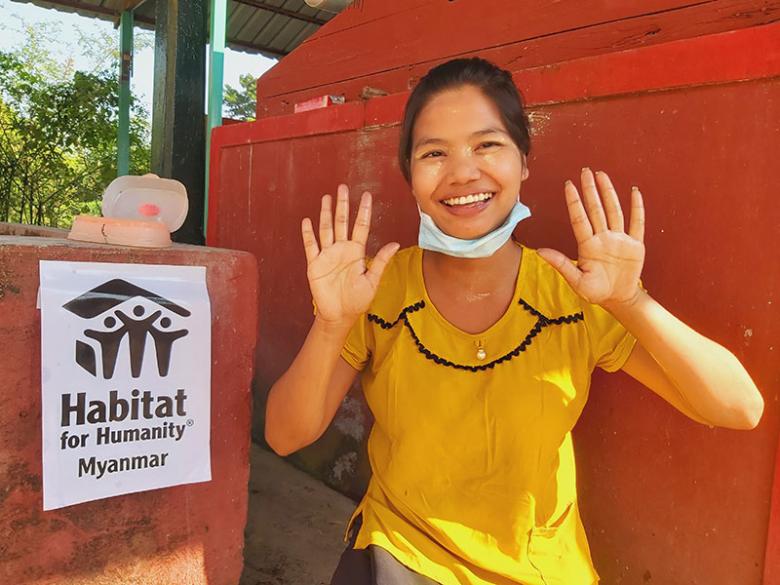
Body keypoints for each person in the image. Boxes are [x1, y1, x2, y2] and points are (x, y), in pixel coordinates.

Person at [264, 58, 764, 585]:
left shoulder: (574, 293)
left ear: (524, 161)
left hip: (544, 570)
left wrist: (631, 302)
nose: (462, 172)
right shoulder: (378, 289)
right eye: (434, 153)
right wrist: (330, 324)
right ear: (409, 175)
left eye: (487, 145)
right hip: (401, 557)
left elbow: (739, 408)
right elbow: (283, 436)